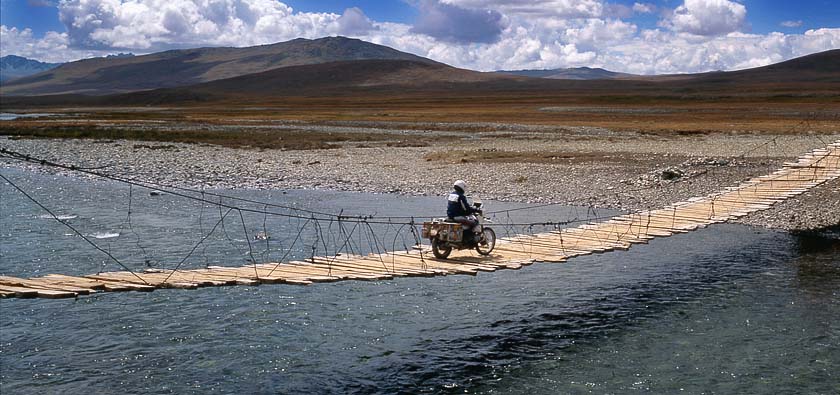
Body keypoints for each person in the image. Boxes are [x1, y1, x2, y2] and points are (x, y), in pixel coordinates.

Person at [447, 180, 482, 245]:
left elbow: (456, 206)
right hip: (457, 216)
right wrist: (475, 210)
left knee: (467, 223)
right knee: (474, 222)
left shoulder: (452, 194)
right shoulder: (461, 196)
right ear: (462, 187)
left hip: (450, 216)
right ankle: (468, 240)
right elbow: (466, 208)